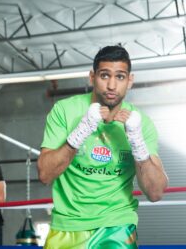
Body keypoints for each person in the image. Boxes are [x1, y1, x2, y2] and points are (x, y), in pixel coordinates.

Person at [37, 45, 168, 249]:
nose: (112, 85)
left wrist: (137, 141)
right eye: (105, 75)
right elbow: (45, 174)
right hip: (67, 224)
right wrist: (82, 130)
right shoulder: (65, 110)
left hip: (117, 224)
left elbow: (155, 192)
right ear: (92, 77)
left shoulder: (141, 122)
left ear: (130, 81)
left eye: (120, 77)